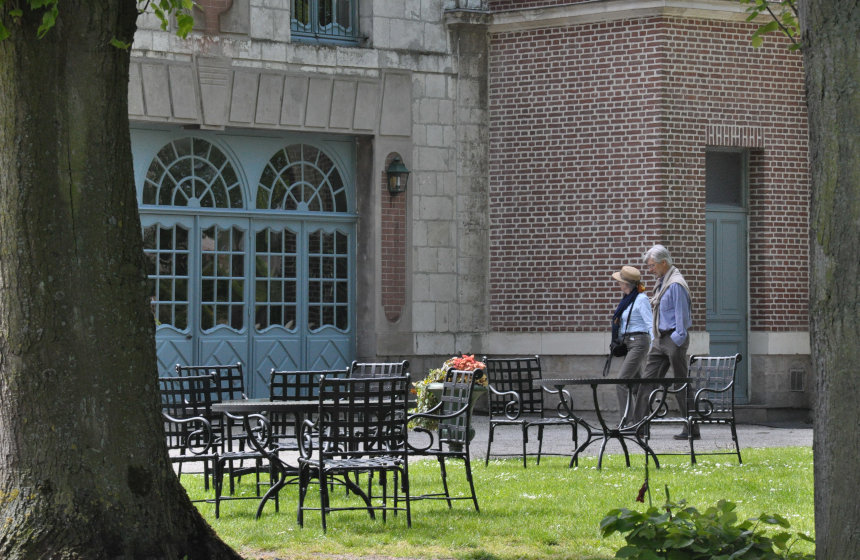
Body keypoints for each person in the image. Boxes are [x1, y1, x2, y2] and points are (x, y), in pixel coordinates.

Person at [633, 244, 696, 440]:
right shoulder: (662, 283)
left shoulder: (676, 284)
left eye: (652, 266)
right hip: (660, 339)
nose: (650, 270)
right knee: (647, 382)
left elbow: (682, 316)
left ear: (663, 263)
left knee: (681, 384)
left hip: (673, 339)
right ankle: (640, 426)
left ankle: (691, 428)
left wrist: (677, 339)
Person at [609, 266, 652, 424]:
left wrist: (653, 347)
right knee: (635, 385)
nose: (619, 285)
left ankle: (627, 422)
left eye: (620, 282)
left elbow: (649, 324)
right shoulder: (627, 300)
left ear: (627, 284)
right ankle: (642, 421)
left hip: (639, 342)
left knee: (622, 382)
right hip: (628, 342)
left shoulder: (641, 299)